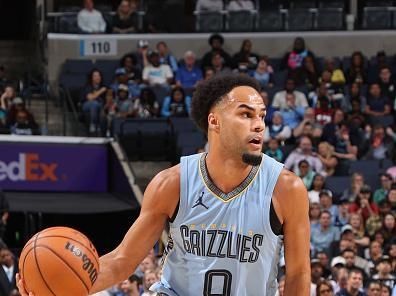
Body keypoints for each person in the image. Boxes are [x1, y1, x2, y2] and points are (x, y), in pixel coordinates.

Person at [18, 75, 311, 295]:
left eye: (261, 115)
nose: (259, 124)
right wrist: (56, 287)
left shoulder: (286, 189)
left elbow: (297, 276)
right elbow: (122, 261)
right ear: (215, 121)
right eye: (246, 114)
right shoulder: (172, 184)